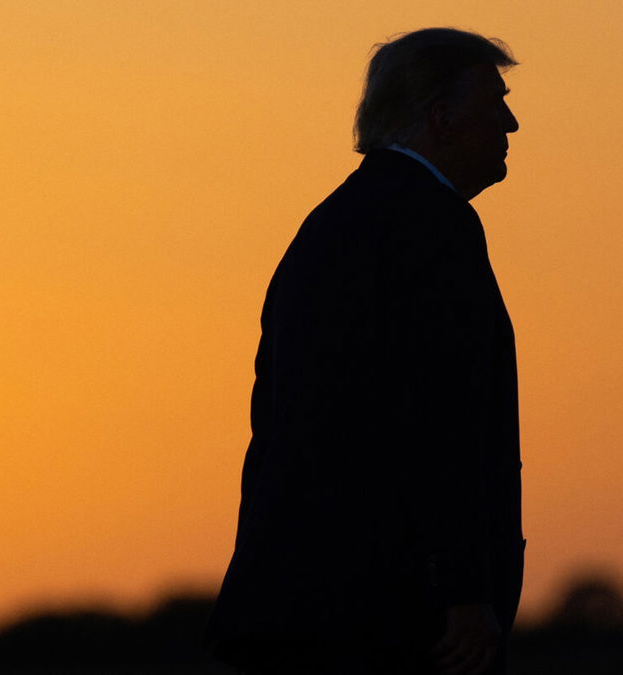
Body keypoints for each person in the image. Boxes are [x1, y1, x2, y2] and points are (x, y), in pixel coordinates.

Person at [203, 28, 525, 675]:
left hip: (298, 601)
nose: (511, 123)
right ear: (441, 117)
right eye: (494, 103)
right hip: (395, 617)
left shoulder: (334, 223)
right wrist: (463, 589)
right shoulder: (433, 226)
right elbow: (441, 416)